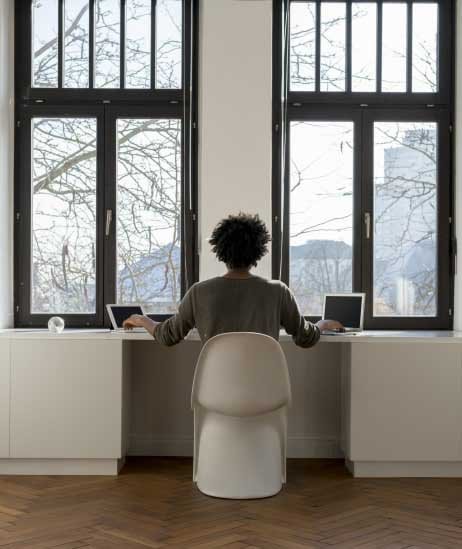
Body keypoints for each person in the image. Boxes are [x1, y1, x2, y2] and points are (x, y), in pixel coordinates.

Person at [123, 213, 344, 346]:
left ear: (220, 251)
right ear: (258, 251)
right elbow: (305, 338)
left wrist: (141, 319)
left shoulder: (200, 292)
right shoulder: (278, 291)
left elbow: (168, 336)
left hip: (214, 391)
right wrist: (322, 324)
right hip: (267, 391)